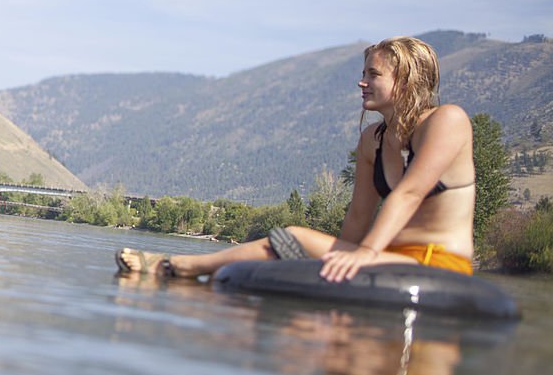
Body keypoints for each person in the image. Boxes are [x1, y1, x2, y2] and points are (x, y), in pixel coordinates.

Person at [116, 36, 476, 282]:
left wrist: (364, 252)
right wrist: (338, 257)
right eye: (363, 73)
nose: (361, 83)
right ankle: (180, 271)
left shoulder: (446, 122)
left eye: (373, 74)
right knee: (286, 244)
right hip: (386, 257)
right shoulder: (373, 140)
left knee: (292, 235)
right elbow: (357, 215)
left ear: (406, 80)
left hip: (438, 262)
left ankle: (175, 266)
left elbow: (409, 195)